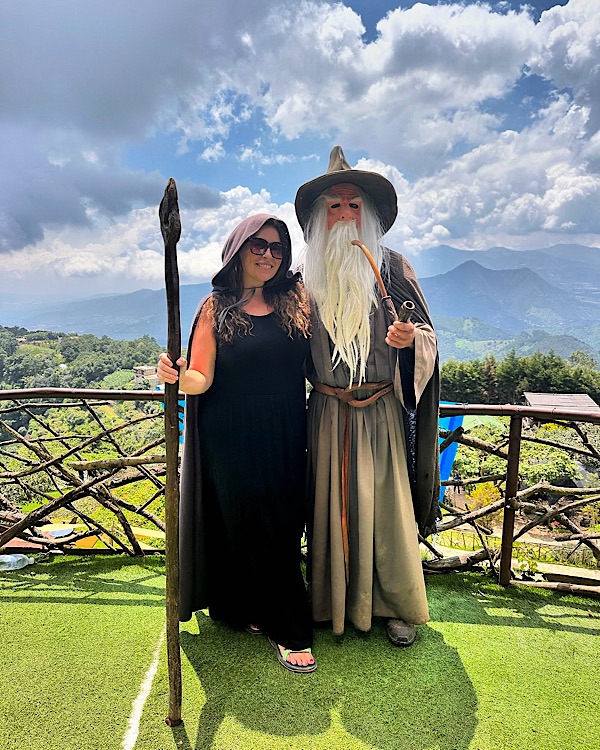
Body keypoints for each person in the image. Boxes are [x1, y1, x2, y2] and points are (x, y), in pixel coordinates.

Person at [157, 214, 316, 672]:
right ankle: (288, 628)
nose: (269, 255)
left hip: (287, 429)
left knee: (284, 524)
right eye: (258, 245)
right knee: (245, 522)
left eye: (277, 247)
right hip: (230, 433)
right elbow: (201, 378)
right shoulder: (216, 307)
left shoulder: (297, 301)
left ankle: (257, 608)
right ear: (238, 250)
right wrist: (175, 376)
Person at [295, 146, 440, 647]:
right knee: (328, 510)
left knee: (386, 512)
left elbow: (428, 338)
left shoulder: (395, 269)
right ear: (320, 218)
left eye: (353, 205)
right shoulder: (302, 280)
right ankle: (327, 602)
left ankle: (397, 604)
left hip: (380, 414)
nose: (344, 215)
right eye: (334, 206)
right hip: (327, 414)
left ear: (368, 213)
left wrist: (410, 340)